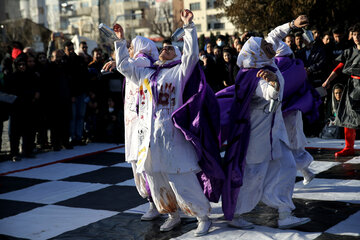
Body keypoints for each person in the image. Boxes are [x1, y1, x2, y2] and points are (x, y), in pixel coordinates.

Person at [114, 10, 222, 237]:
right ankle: (172, 215)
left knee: (180, 178)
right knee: (154, 179)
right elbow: (123, 66)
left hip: (171, 136)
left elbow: (192, 55)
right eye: (162, 48)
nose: (163, 50)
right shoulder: (147, 73)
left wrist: (189, 27)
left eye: (169, 48)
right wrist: (120, 42)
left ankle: (203, 216)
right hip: (148, 139)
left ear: (177, 55)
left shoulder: (179, 72)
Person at [217, 15, 311, 230]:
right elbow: (269, 94)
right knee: (253, 178)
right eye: (265, 46)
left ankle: (285, 213)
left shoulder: (264, 60)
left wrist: (291, 25)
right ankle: (236, 214)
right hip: (258, 139)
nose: (271, 46)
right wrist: (273, 84)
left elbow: (274, 35)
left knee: (287, 168)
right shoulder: (256, 75)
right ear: (257, 53)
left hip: (274, 134)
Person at [104, 34, 161, 221]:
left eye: (130, 48)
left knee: (145, 164)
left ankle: (161, 206)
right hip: (134, 122)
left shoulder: (143, 61)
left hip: (141, 122)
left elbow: (127, 66)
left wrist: (118, 61)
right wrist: (117, 63)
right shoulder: (138, 62)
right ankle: (155, 204)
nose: (129, 51)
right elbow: (125, 67)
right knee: (139, 164)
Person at [275, 41, 319, 185]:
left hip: (288, 110)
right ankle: (306, 172)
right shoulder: (296, 65)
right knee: (293, 144)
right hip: (291, 109)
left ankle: (298, 174)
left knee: (289, 144)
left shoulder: (281, 65)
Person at [322, 23, 360, 157]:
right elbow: (339, 67)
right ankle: (349, 147)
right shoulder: (349, 51)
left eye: (359, 34)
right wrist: (328, 80)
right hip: (353, 86)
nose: (356, 37)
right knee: (348, 116)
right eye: (354, 35)